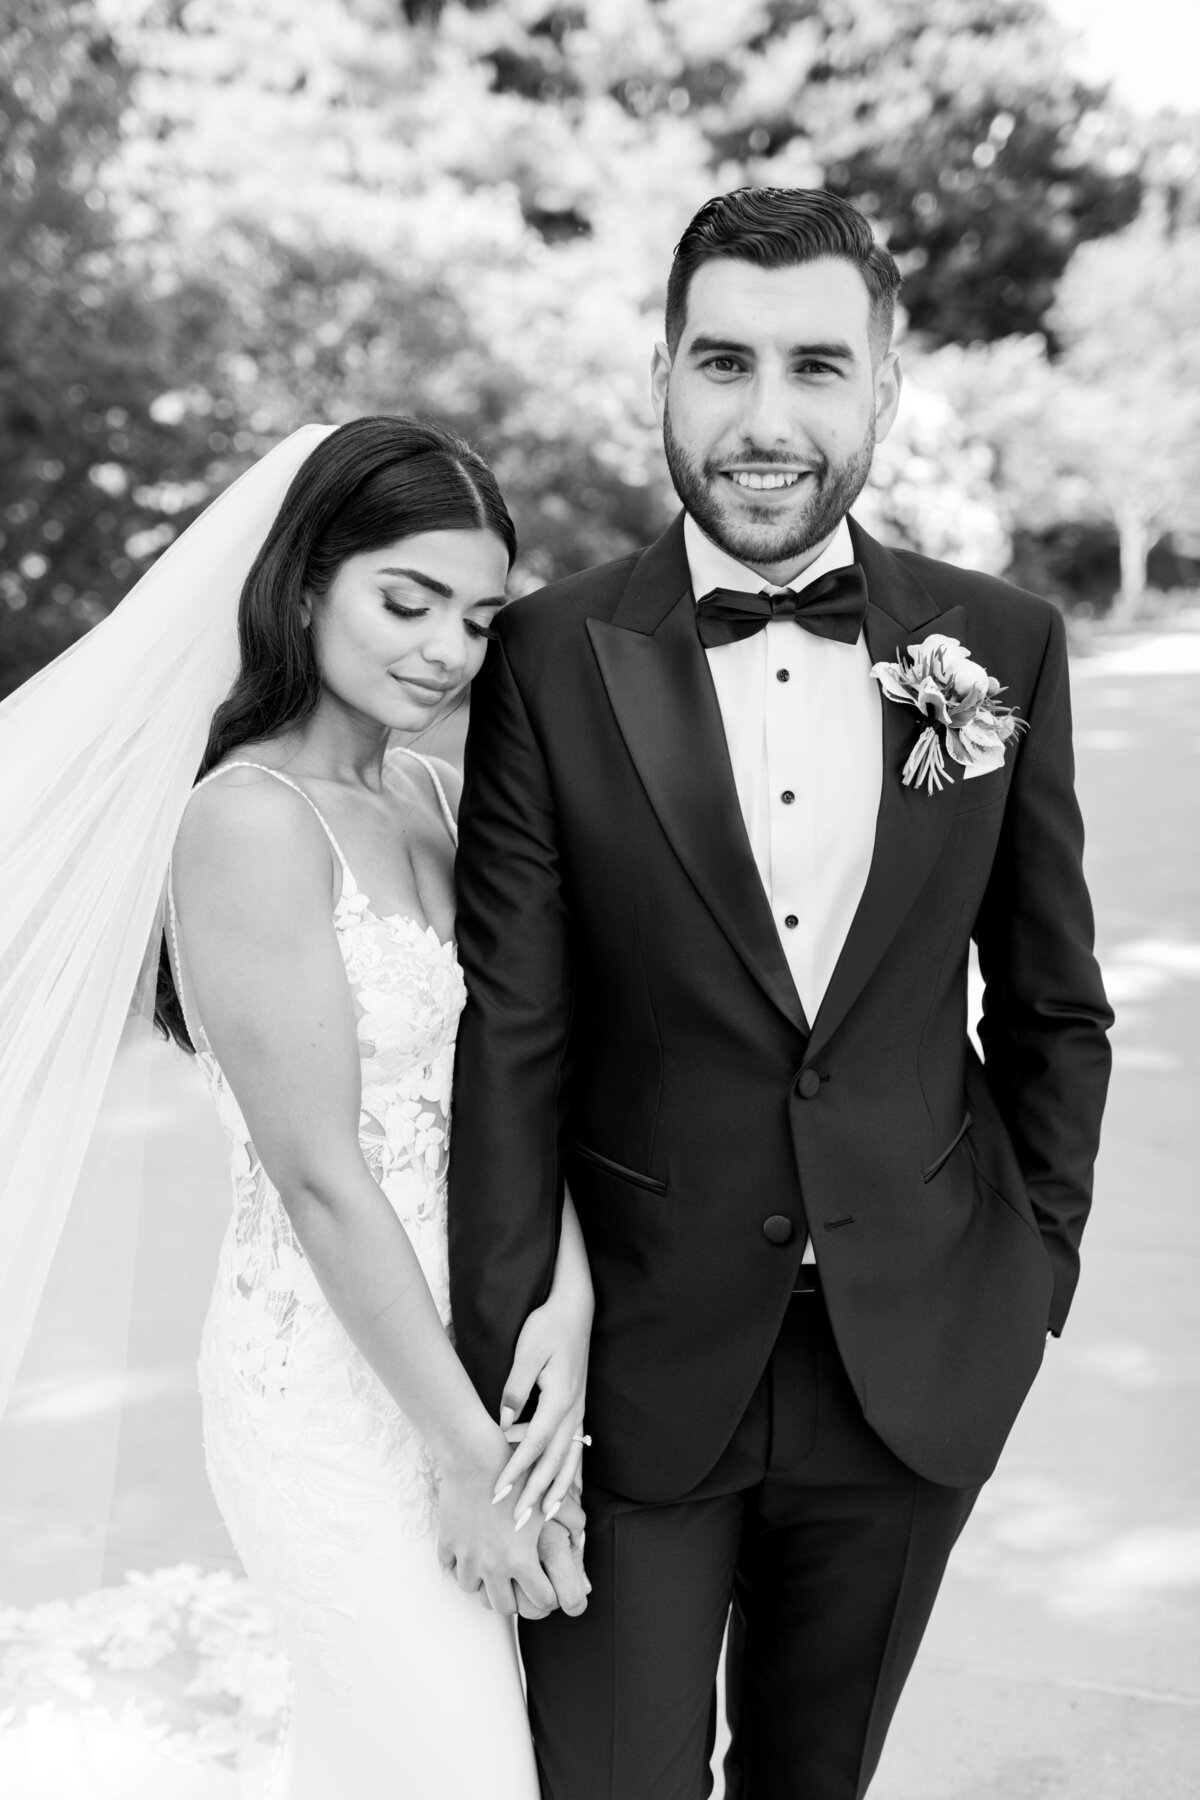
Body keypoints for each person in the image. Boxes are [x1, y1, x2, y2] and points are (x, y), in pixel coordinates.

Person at [447, 187, 1114, 1800]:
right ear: (659, 375)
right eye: (722, 363)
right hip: (632, 1374)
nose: (764, 419)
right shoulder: (547, 655)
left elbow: (1051, 1005)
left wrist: (1029, 1287)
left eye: (816, 366)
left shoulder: (999, 645)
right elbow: (513, 1039)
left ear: (883, 388)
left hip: (913, 1363)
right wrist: (497, 1398)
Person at [0, 417, 592, 1800]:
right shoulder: (248, 822)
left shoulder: (439, 798)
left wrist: (565, 1297)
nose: (448, 649)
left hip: (488, 1365)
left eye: (479, 617)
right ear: (309, 579)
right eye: (410, 601)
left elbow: (522, 1090)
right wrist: (464, 1464)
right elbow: (324, 1178)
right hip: (338, 1396)